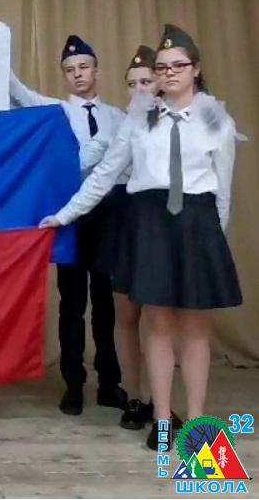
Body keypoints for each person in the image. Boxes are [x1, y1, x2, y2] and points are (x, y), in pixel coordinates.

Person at [41, 24, 241, 450]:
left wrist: (213, 242)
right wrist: (64, 214)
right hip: (149, 222)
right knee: (158, 324)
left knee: (195, 329)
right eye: (162, 68)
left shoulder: (216, 120)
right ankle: (162, 420)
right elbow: (104, 175)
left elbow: (223, 189)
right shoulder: (139, 120)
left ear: (196, 69)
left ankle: (198, 422)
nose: (169, 74)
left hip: (196, 223)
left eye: (178, 66)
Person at [10, 35, 128, 416]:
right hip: (71, 216)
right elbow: (19, 95)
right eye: (70, 70)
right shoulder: (56, 113)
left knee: (107, 303)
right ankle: (73, 384)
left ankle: (109, 383)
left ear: (97, 70)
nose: (78, 75)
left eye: (84, 67)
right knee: (72, 302)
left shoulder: (119, 117)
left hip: (108, 216)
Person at [105, 45, 159, 431]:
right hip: (124, 218)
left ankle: (160, 401)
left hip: (161, 222)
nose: (139, 89)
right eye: (131, 83)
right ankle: (135, 397)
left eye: (146, 81)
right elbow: (102, 173)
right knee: (126, 314)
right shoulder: (122, 124)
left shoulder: (182, 122)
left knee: (159, 318)